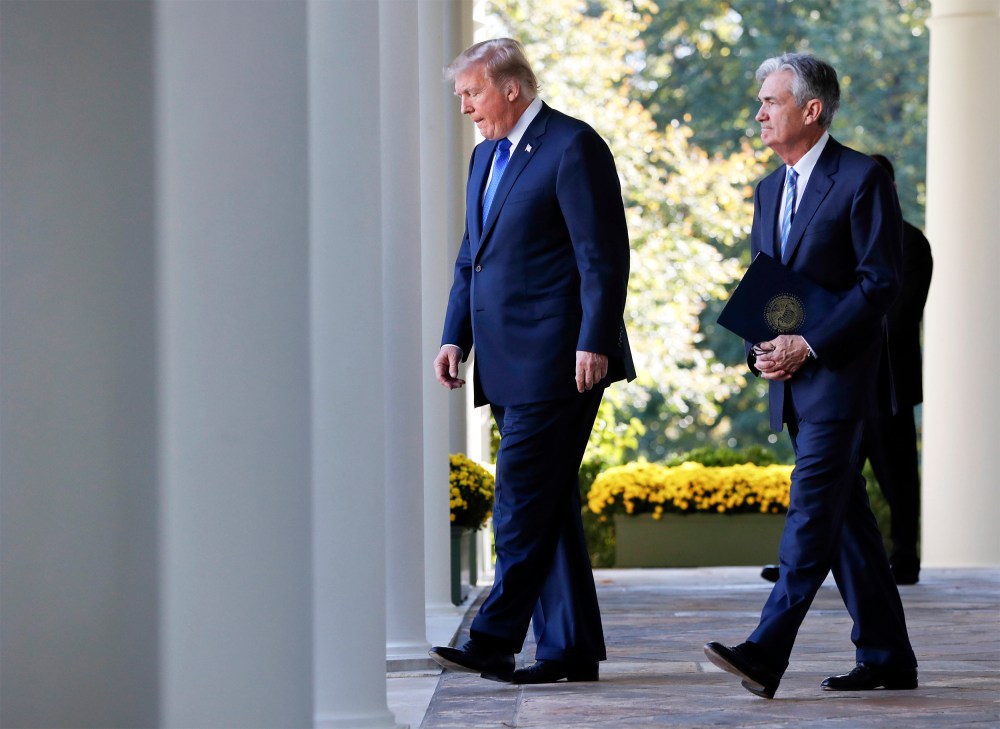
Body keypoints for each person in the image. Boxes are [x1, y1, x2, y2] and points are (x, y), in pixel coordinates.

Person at [704, 53, 917, 699]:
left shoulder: (862, 178)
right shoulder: (770, 188)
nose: (760, 113)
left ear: (811, 109)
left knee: (808, 514)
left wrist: (810, 342)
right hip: (792, 380)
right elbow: (771, 288)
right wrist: (764, 350)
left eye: (770, 101)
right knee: (845, 523)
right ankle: (887, 656)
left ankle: (766, 652)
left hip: (844, 381)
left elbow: (881, 282)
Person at [428, 38, 634, 685]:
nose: (465, 107)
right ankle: (570, 648)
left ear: (511, 88)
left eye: (472, 93)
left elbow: (602, 255)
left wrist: (594, 339)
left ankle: (494, 638)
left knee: (519, 497)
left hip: (562, 358)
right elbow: (473, 255)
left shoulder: (574, 146)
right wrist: (454, 333)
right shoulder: (485, 155)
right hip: (506, 359)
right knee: (546, 501)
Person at [760, 154, 932, 586]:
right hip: (835, 376)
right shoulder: (779, 198)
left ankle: (905, 557)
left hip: (885, 381)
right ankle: (879, 634)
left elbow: (897, 310)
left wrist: (826, 330)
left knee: (895, 477)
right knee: (838, 487)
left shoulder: (911, 242)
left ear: (886, 191)